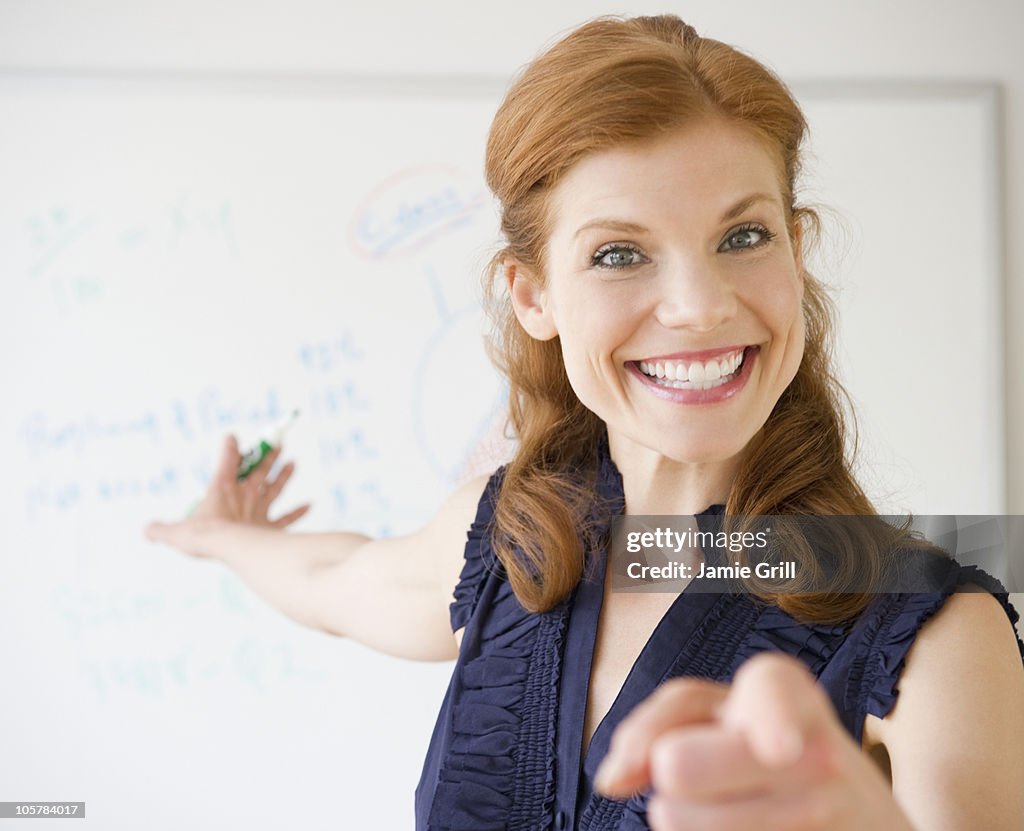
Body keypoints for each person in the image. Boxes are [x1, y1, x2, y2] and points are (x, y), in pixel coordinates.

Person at [145, 13, 1024, 831]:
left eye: (743, 237)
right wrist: (221, 535)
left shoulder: (941, 638)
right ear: (532, 295)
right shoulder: (509, 543)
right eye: (618, 253)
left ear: (796, 248)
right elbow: (335, 575)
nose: (698, 306)